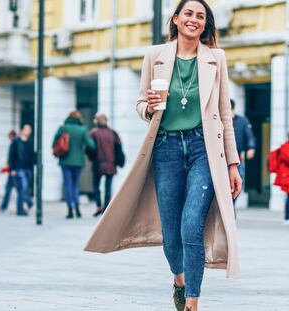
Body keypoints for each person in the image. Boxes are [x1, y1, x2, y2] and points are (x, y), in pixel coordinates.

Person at [85, 1, 242, 310]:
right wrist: (150, 106)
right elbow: (141, 103)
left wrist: (233, 164)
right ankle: (180, 279)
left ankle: (192, 303)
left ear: (205, 24)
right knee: (172, 233)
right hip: (166, 148)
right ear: (176, 19)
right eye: (188, 14)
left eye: (200, 16)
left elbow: (225, 115)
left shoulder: (216, 59)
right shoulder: (155, 55)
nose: (194, 20)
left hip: (203, 148)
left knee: (191, 223)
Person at [53, 110, 95, 219]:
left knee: (68, 184)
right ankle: (77, 207)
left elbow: (54, 143)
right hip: (78, 161)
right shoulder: (82, 129)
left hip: (65, 160)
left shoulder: (63, 128)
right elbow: (91, 145)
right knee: (75, 184)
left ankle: (69, 209)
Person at [89, 113, 122, 217]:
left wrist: (92, 158)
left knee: (96, 186)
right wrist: (118, 162)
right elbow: (118, 149)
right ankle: (106, 208)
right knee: (108, 187)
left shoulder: (93, 133)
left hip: (97, 164)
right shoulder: (113, 133)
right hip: (111, 164)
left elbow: (90, 149)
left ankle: (98, 206)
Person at [231, 99, 256, 206]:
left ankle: (231, 206)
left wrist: (251, 148)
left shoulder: (242, 121)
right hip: (220, 158)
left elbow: (249, 135)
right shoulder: (218, 119)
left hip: (238, 158)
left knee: (238, 183)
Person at [9, 125, 34, 216]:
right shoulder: (16, 142)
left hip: (28, 169)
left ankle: (22, 207)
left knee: (23, 189)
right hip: (18, 169)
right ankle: (24, 206)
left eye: (29, 129)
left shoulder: (31, 142)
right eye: (26, 129)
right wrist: (11, 169)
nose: (28, 131)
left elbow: (32, 156)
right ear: (22, 130)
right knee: (22, 188)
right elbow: (11, 156)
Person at [0, 130, 17, 212]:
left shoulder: (14, 143)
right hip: (12, 170)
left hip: (13, 171)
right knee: (10, 188)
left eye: (9, 136)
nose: (8, 137)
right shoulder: (15, 143)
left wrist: (11, 169)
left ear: (12, 135)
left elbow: (12, 158)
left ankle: (4, 206)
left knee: (12, 189)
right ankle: (3, 206)